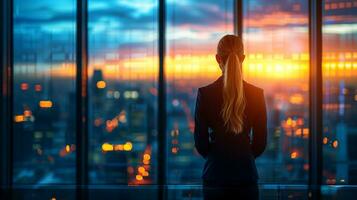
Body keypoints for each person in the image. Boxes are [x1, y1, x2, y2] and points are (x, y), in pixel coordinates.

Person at [194, 34, 267, 200]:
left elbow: (201, 143)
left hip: (215, 177)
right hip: (246, 178)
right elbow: (260, 143)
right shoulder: (257, 94)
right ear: (243, 58)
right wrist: (242, 155)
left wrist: (218, 156)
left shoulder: (205, 94)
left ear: (217, 59)